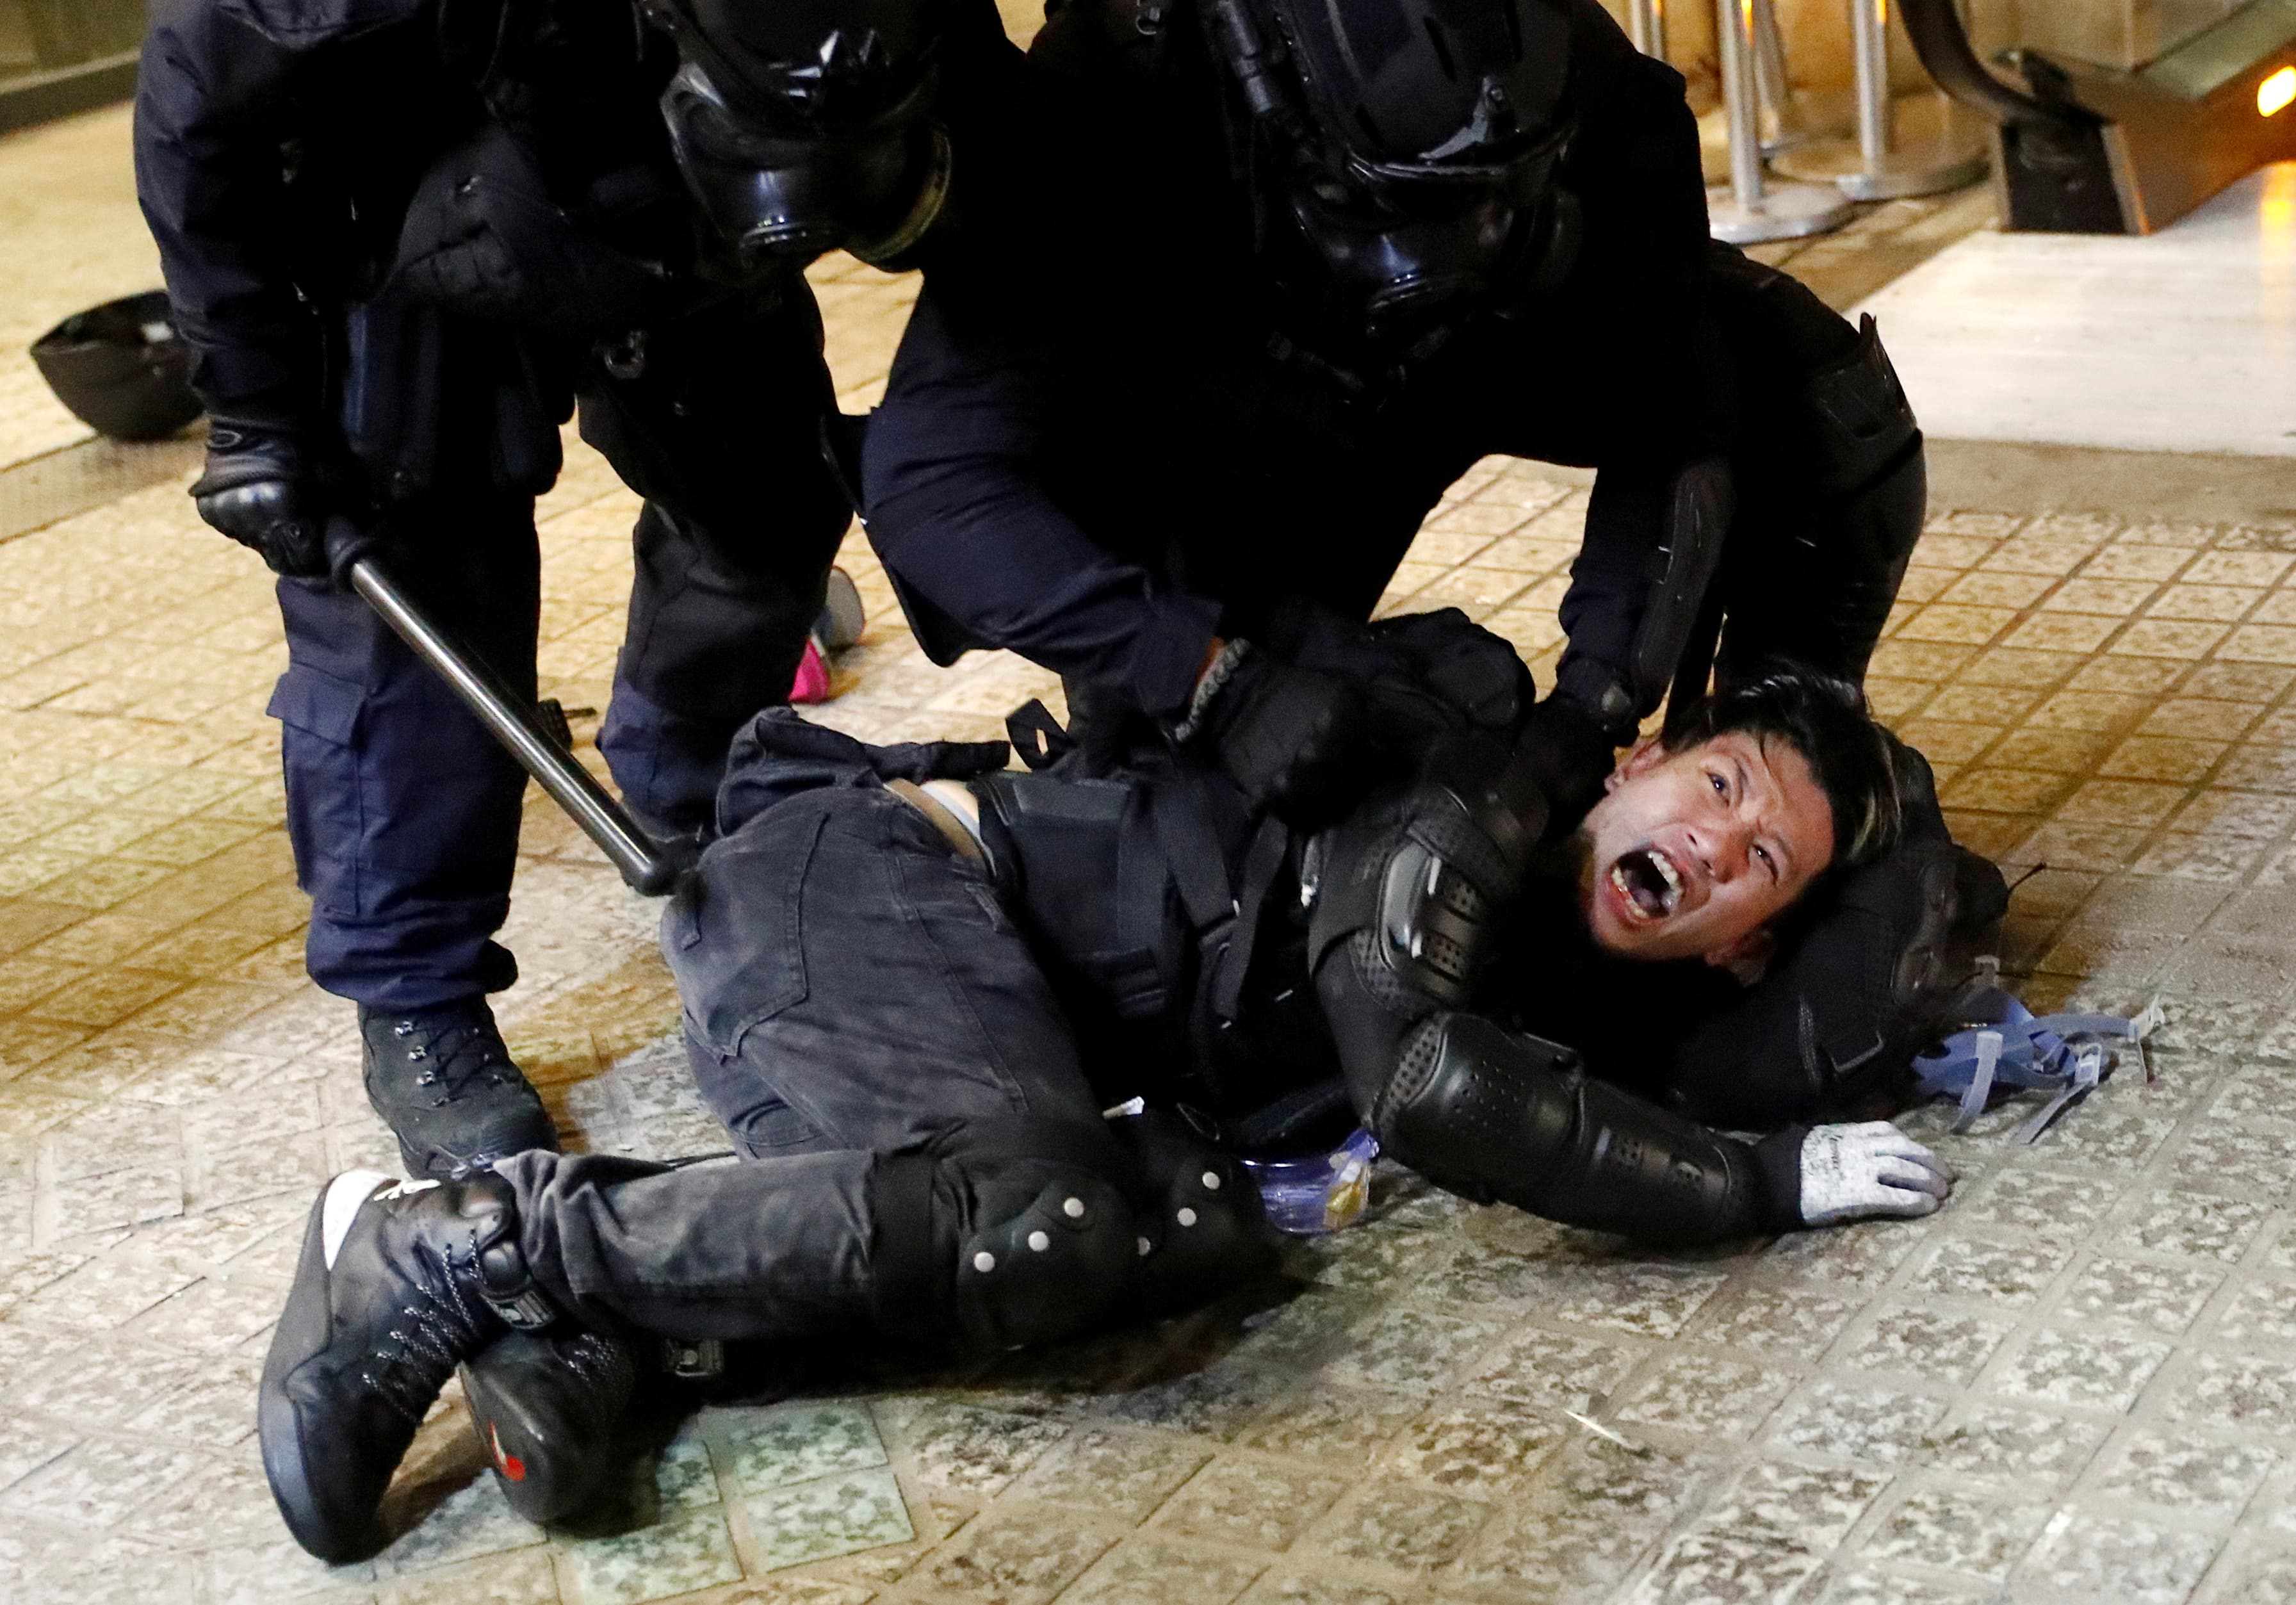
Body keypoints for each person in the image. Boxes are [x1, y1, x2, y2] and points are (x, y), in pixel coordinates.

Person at [254, 618, 1996, 1562]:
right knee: (1050, 1216)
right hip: (866, 870)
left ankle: (611, 1331)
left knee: (1161, 1247)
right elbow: (1432, 1079)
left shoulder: (1598, 999)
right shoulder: (1464, 782)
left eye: (1758, 859)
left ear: (1741, 946)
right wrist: (1757, 1187)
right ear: (1636, 760)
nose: (1708, 841)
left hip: (988, 1035)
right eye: (1712, 784)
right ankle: (459, 1242)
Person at [134, 0, 1008, 1178]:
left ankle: (690, 781)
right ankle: (416, 994)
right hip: (397, 192)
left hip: (674, 153)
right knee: (425, 590)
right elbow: (192, 114)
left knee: (766, 498)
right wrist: (251, 414)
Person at [860, 0, 1926, 826]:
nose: (1436, 250)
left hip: (1464, 362)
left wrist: (1590, 712)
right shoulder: (1115, 95)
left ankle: (1786, 736)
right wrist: (1200, 676)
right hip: (1230, 422)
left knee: (1797, 380)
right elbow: (929, 481)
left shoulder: (1593, 87)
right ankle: (1167, 695)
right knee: (1235, 800)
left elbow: (1675, 405)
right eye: (1396, 204)